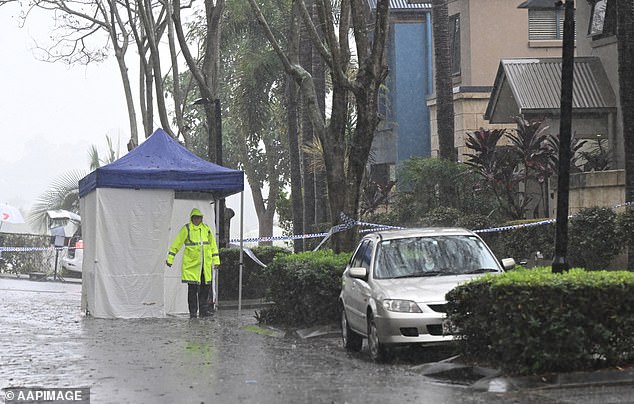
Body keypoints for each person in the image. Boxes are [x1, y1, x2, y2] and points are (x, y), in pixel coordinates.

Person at [166, 208, 220, 318]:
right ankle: (193, 313)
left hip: (205, 266)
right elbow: (177, 243)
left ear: (201, 218)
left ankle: (204, 312)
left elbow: (213, 245)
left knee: (205, 289)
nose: (197, 220)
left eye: (199, 217)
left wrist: (216, 261)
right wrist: (170, 259)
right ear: (192, 218)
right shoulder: (187, 229)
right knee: (192, 290)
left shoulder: (206, 229)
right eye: (195, 218)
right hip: (192, 266)